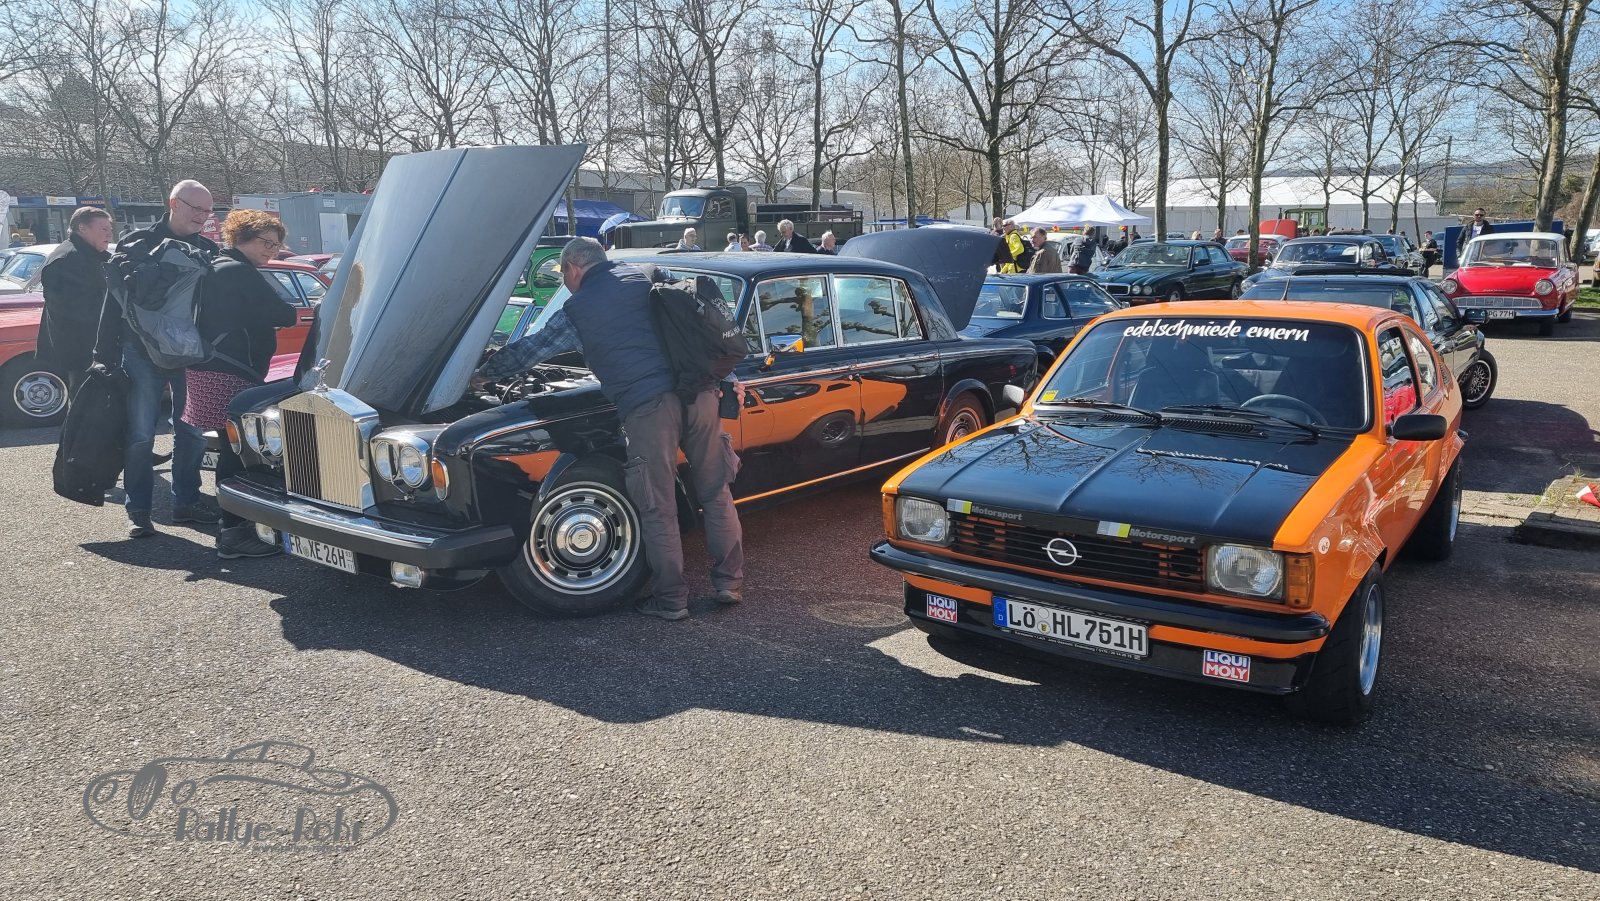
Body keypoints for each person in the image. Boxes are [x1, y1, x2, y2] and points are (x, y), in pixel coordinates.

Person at [471, 238, 744, 621]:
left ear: (572, 269)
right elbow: (700, 328)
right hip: (701, 395)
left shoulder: (579, 308)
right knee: (716, 492)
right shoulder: (649, 275)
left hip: (648, 406)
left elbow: (531, 351)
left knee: (658, 505)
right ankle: (729, 583)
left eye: (563, 275)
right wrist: (729, 379)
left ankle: (671, 600)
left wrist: (481, 374)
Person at [94, 179, 219, 538]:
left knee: (192, 431)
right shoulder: (137, 243)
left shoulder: (210, 250)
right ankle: (138, 511)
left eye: (208, 211)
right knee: (140, 434)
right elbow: (114, 301)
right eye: (196, 208)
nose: (202, 216)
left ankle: (186, 502)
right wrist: (102, 353)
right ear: (173, 203)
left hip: (190, 354)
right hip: (140, 351)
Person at [185, 211, 298, 558]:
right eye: (266, 243)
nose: (272, 251)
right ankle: (233, 533)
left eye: (276, 245)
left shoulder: (217, 266)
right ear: (241, 237)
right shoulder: (239, 271)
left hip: (208, 369)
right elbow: (285, 314)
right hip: (229, 373)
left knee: (231, 448)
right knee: (237, 453)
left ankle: (235, 526)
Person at [38, 207, 115, 399]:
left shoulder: (87, 255)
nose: (110, 234)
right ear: (82, 228)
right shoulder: (70, 259)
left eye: (110, 229)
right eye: (103, 229)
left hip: (89, 350)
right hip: (83, 352)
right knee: (86, 407)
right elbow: (81, 311)